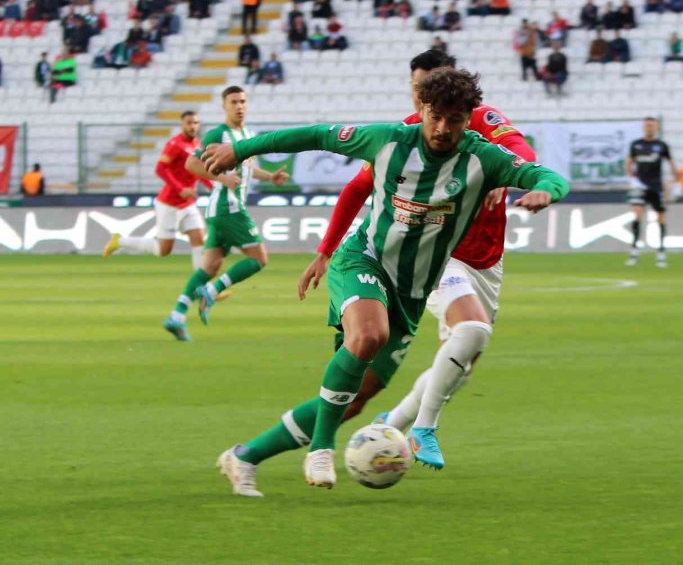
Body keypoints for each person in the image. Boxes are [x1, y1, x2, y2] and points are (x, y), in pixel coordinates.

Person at [203, 68, 568, 492]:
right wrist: (242, 150)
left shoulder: (483, 159)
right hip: (364, 258)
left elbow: (547, 175)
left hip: (412, 291)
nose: (442, 128)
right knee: (370, 334)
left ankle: (244, 456)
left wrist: (546, 191)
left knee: (356, 399)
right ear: (423, 110)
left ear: (470, 118)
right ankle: (321, 449)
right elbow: (316, 134)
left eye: (454, 119)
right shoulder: (390, 139)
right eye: (435, 116)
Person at [295, 49, 542, 471]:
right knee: (470, 328)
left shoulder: (480, 123)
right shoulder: (406, 136)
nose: (421, 102)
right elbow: (357, 188)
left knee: (461, 362)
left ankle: (393, 421)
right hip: (434, 257)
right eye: (416, 92)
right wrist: (325, 249)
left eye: (426, 89)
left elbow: (520, 150)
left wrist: (517, 177)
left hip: (485, 260)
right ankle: (419, 429)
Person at [161, 87, 288, 341]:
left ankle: (177, 315)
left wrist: (270, 177)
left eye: (242, 101)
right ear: (224, 106)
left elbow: (248, 169)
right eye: (234, 102)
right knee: (259, 259)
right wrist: (222, 177)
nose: (239, 106)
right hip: (228, 207)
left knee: (209, 266)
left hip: (220, 210)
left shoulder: (247, 134)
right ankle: (212, 290)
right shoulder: (218, 134)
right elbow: (191, 163)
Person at [103, 111, 212, 268]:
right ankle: (119, 241)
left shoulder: (198, 146)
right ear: (182, 125)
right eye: (189, 123)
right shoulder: (175, 144)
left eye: (195, 123)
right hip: (169, 203)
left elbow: (200, 172)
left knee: (199, 239)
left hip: (187, 204)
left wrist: (215, 186)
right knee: (163, 250)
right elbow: (160, 169)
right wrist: (181, 188)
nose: (192, 126)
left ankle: (202, 286)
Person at [624, 117, 678, 268]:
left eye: (652, 126)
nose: (649, 128)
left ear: (657, 128)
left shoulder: (661, 146)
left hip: (656, 186)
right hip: (640, 185)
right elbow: (629, 162)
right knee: (637, 214)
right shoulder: (636, 145)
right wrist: (631, 178)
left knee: (660, 217)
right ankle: (634, 251)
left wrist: (675, 180)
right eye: (647, 125)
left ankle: (661, 252)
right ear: (643, 128)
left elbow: (671, 162)